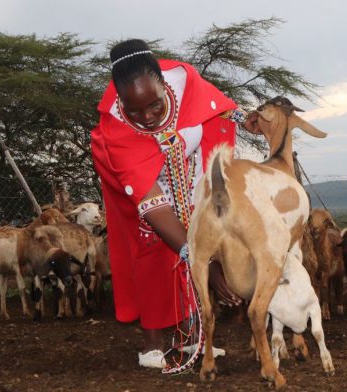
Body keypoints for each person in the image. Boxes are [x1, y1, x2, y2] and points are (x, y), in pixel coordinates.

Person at [90, 39, 244, 368]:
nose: (146, 116)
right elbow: (153, 207)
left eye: (155, 106)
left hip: (184, 172)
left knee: (195, 230)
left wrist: (249, 119)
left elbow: (217, 107)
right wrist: (202, 258)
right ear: (120, 99)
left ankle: (188, 336)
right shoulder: (117, 131)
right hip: (144, 190)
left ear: (163, 82)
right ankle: (152, 342)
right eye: (135, 110)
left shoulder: (185, 79)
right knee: (154, 248)